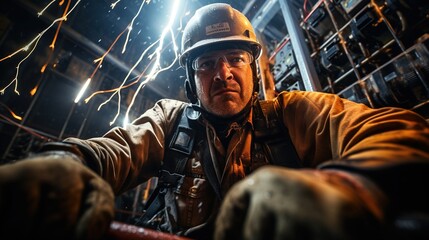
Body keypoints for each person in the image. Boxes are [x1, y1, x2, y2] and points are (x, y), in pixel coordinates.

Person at [1, 3, 429, 240]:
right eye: (207, 64)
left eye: (234, 60)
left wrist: (347, 186)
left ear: (253, 69)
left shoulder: (293, 112)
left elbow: (399, 132)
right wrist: (67, 162)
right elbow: (117, 149)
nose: (223, 73)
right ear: (191, 79)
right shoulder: (170, 120)